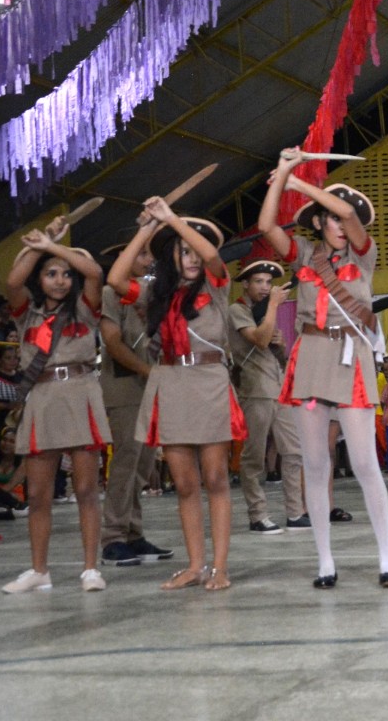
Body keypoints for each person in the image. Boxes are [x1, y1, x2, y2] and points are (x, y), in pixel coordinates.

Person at [259, 147, 388, 589]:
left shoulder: (363, 255)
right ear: (318, 223)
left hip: (351, 355)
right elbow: (265, 226)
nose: (343, 224)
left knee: (363, 462)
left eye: (347, 218)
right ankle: (324, 561)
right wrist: (282, 172)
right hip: (312, 356)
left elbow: (348, 213)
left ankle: (386, 557)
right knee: (314, 464)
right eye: (333, 219)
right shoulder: (303, 254)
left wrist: (300, 182)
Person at [108, 199, 242, 592]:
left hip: (209, 380)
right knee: (184, 484)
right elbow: (116, 278)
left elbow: (213, 255)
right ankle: (195, 565)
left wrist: (175, 221)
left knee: (215, 478)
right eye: (184, 249)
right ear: (171, 254)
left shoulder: (217, 286)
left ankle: (219, 568)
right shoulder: (155, 294)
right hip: (171, 381)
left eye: (195, 248)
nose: (193, 256)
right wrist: (148, 228)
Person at [1, 219, 112, 594]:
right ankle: (39, 570)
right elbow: (13, 282)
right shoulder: (26, 313)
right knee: (37, 493)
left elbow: (94, 271)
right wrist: (39, 245)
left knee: (85, 488)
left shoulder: (85, 308)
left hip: (81, 392)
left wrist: (55, 244)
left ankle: (90, 569)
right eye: (51, 274)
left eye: (65, 274)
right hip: (44, 398)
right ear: (40, 278)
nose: (60, 280)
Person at [98, 240, 175, 567]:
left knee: (143, 464)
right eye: (142, 254)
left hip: (149, 384)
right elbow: (113, 343)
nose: (148, 261)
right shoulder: (110, 294)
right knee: (126, 461)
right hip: (124, 384)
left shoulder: (152, 293)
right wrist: (148, 371)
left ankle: (133, 533)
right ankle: (112, 538)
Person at [228, 260, 303, 534]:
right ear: (245, 284)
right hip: (255, 390)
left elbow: (277, 357)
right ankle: (258, 515)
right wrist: (273, 306)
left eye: (268, 283)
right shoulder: (237, 310)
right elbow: (258, 340)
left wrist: (280, 346)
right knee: (254, 457)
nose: (264, 287)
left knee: (293, 452)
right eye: (258, 282)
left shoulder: (265, 314)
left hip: (278, 388)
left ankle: (295, 513)